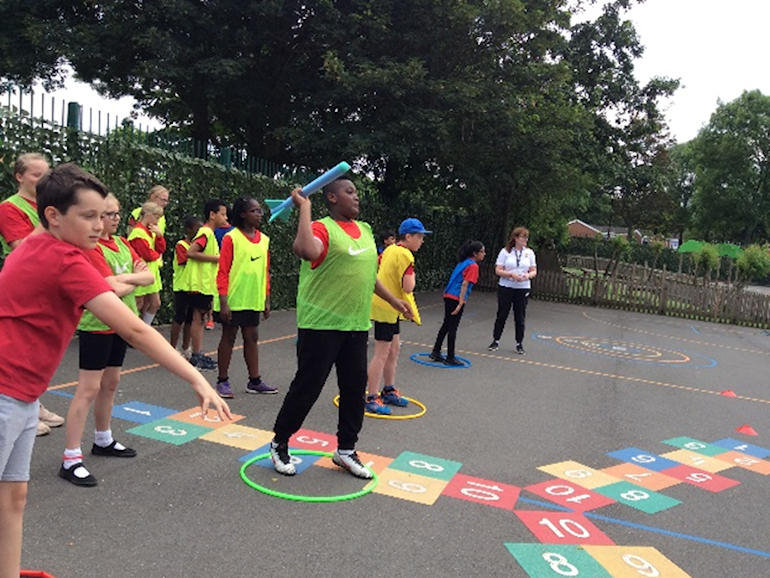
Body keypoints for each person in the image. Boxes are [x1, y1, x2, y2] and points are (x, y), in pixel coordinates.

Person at [0, 163, 231, 578]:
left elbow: (107, 286)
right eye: (87, 216)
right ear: (53, 215)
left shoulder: (48, 246)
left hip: (21, 397)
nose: (98, 225)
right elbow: (134, 329)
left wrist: (129, 277)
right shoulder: (62, 259)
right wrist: (197, 378)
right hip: (5, 394)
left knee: (13, 497)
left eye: (102, 214)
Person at [270, 179, 411, 479]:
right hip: (320, 324)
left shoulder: (366, 230)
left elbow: (367, 274)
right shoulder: (322, 227)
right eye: (349, 192)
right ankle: (279, 442)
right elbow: (305, 249)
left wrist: (394, 300)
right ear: (331, 197)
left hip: (356, 325)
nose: (356, 196)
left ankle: (346, 449)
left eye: (356, 192)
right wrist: (304, 208)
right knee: (307, 388)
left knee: (353, 389)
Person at [60, 193, 154, 487]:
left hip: (120, 324)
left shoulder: (124, 244)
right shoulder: (91, 249)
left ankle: (103, 439)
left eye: (114, 214)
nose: (110, 219)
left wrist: (124, 282)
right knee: (88, 389)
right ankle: (71, 458)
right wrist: (126, 281)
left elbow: (147, 277)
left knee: (111, 384)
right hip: (97, 325)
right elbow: (104, 290)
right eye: (106, 214)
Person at [0, 152, 65, 437]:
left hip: (47, 283)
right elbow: (21, 247)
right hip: (21, 285)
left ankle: (32, 404)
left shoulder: (48, 206)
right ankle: (20, 410)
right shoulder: (10, 207)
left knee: (39, 349)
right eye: (37, 175)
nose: (42, 180)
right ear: (19, 177)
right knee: (18, 349)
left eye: (46, 174)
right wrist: (49, 218)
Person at [214, 197, 277, 399]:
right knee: (229, 337)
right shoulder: (231, 238)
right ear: (242, 214)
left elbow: (265, 271)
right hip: (233, 299)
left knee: (252, 337)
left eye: (260, 211)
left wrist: (266, 299)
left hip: (252, 299)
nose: (259, 214)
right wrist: (223, 301)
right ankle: (222, 380)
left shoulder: (264, 240)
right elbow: (222, 271)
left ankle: (255, 380)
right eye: (254, 211)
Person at [366, 218, 429, 415]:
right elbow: (408, 286)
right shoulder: (405, 254)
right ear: (408, 236)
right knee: (382, 353)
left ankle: (388, 389)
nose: (422, 241)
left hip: (388, 306)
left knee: (394, 349)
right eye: (419, 236)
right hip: (387, 307)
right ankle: (371, 396)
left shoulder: (390, 249)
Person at [186, 199, 230, 370]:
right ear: (212, 215)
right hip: (200, 283)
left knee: (200, 318)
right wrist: (218, 258)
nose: (226, 218)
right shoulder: (205, 233)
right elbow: (191, 252)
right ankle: (196, 356)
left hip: (205, 283)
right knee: (198, 318)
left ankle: (198, 352)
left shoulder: (209, 234)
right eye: (223, 214)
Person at [430, 241, 486, 366]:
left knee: (446, 324)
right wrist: (461, 302)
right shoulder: (473, 266)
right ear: (475, 253)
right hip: (456, 297)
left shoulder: (463, 262)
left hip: (449, 295)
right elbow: (465, 284)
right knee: (452, 327)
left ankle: (436, 351)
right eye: (482, 251)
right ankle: (450, 356)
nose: (484, 254)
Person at [488, 226, 536, 354]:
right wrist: (510, 275)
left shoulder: (529, 253)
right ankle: (495, 340)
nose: (525, 239)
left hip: (522, 288)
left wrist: (527, 276)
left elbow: (533, 271)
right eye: (523, 237)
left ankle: (519, 343)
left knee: (520, 316)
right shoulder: (505, 252)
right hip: (506, 287)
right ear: (515, 238)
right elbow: (498, 270)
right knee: (502, 314)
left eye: (526, 237)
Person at [127, 201, 166, 325]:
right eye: (157, 217)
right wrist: (157, 255)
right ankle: (129, 331)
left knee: (155, 303)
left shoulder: (151, 231)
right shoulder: (138, 233)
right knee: (137, 304)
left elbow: (160, 249)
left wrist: (159, 236)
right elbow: (148, 255)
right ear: (148, 215)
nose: (158, 221)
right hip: (141, 270)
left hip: (151, 271)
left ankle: (145, 327)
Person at [169, 215, 202, 359]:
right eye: (197, 228)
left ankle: (185, 347)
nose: (200, 231)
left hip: (194, 287)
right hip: (182, 286)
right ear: (189, 230)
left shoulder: (200, 247)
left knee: (190, 319)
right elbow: (185, 260)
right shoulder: (181, 245)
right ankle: (172, 347)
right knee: (179, 317)